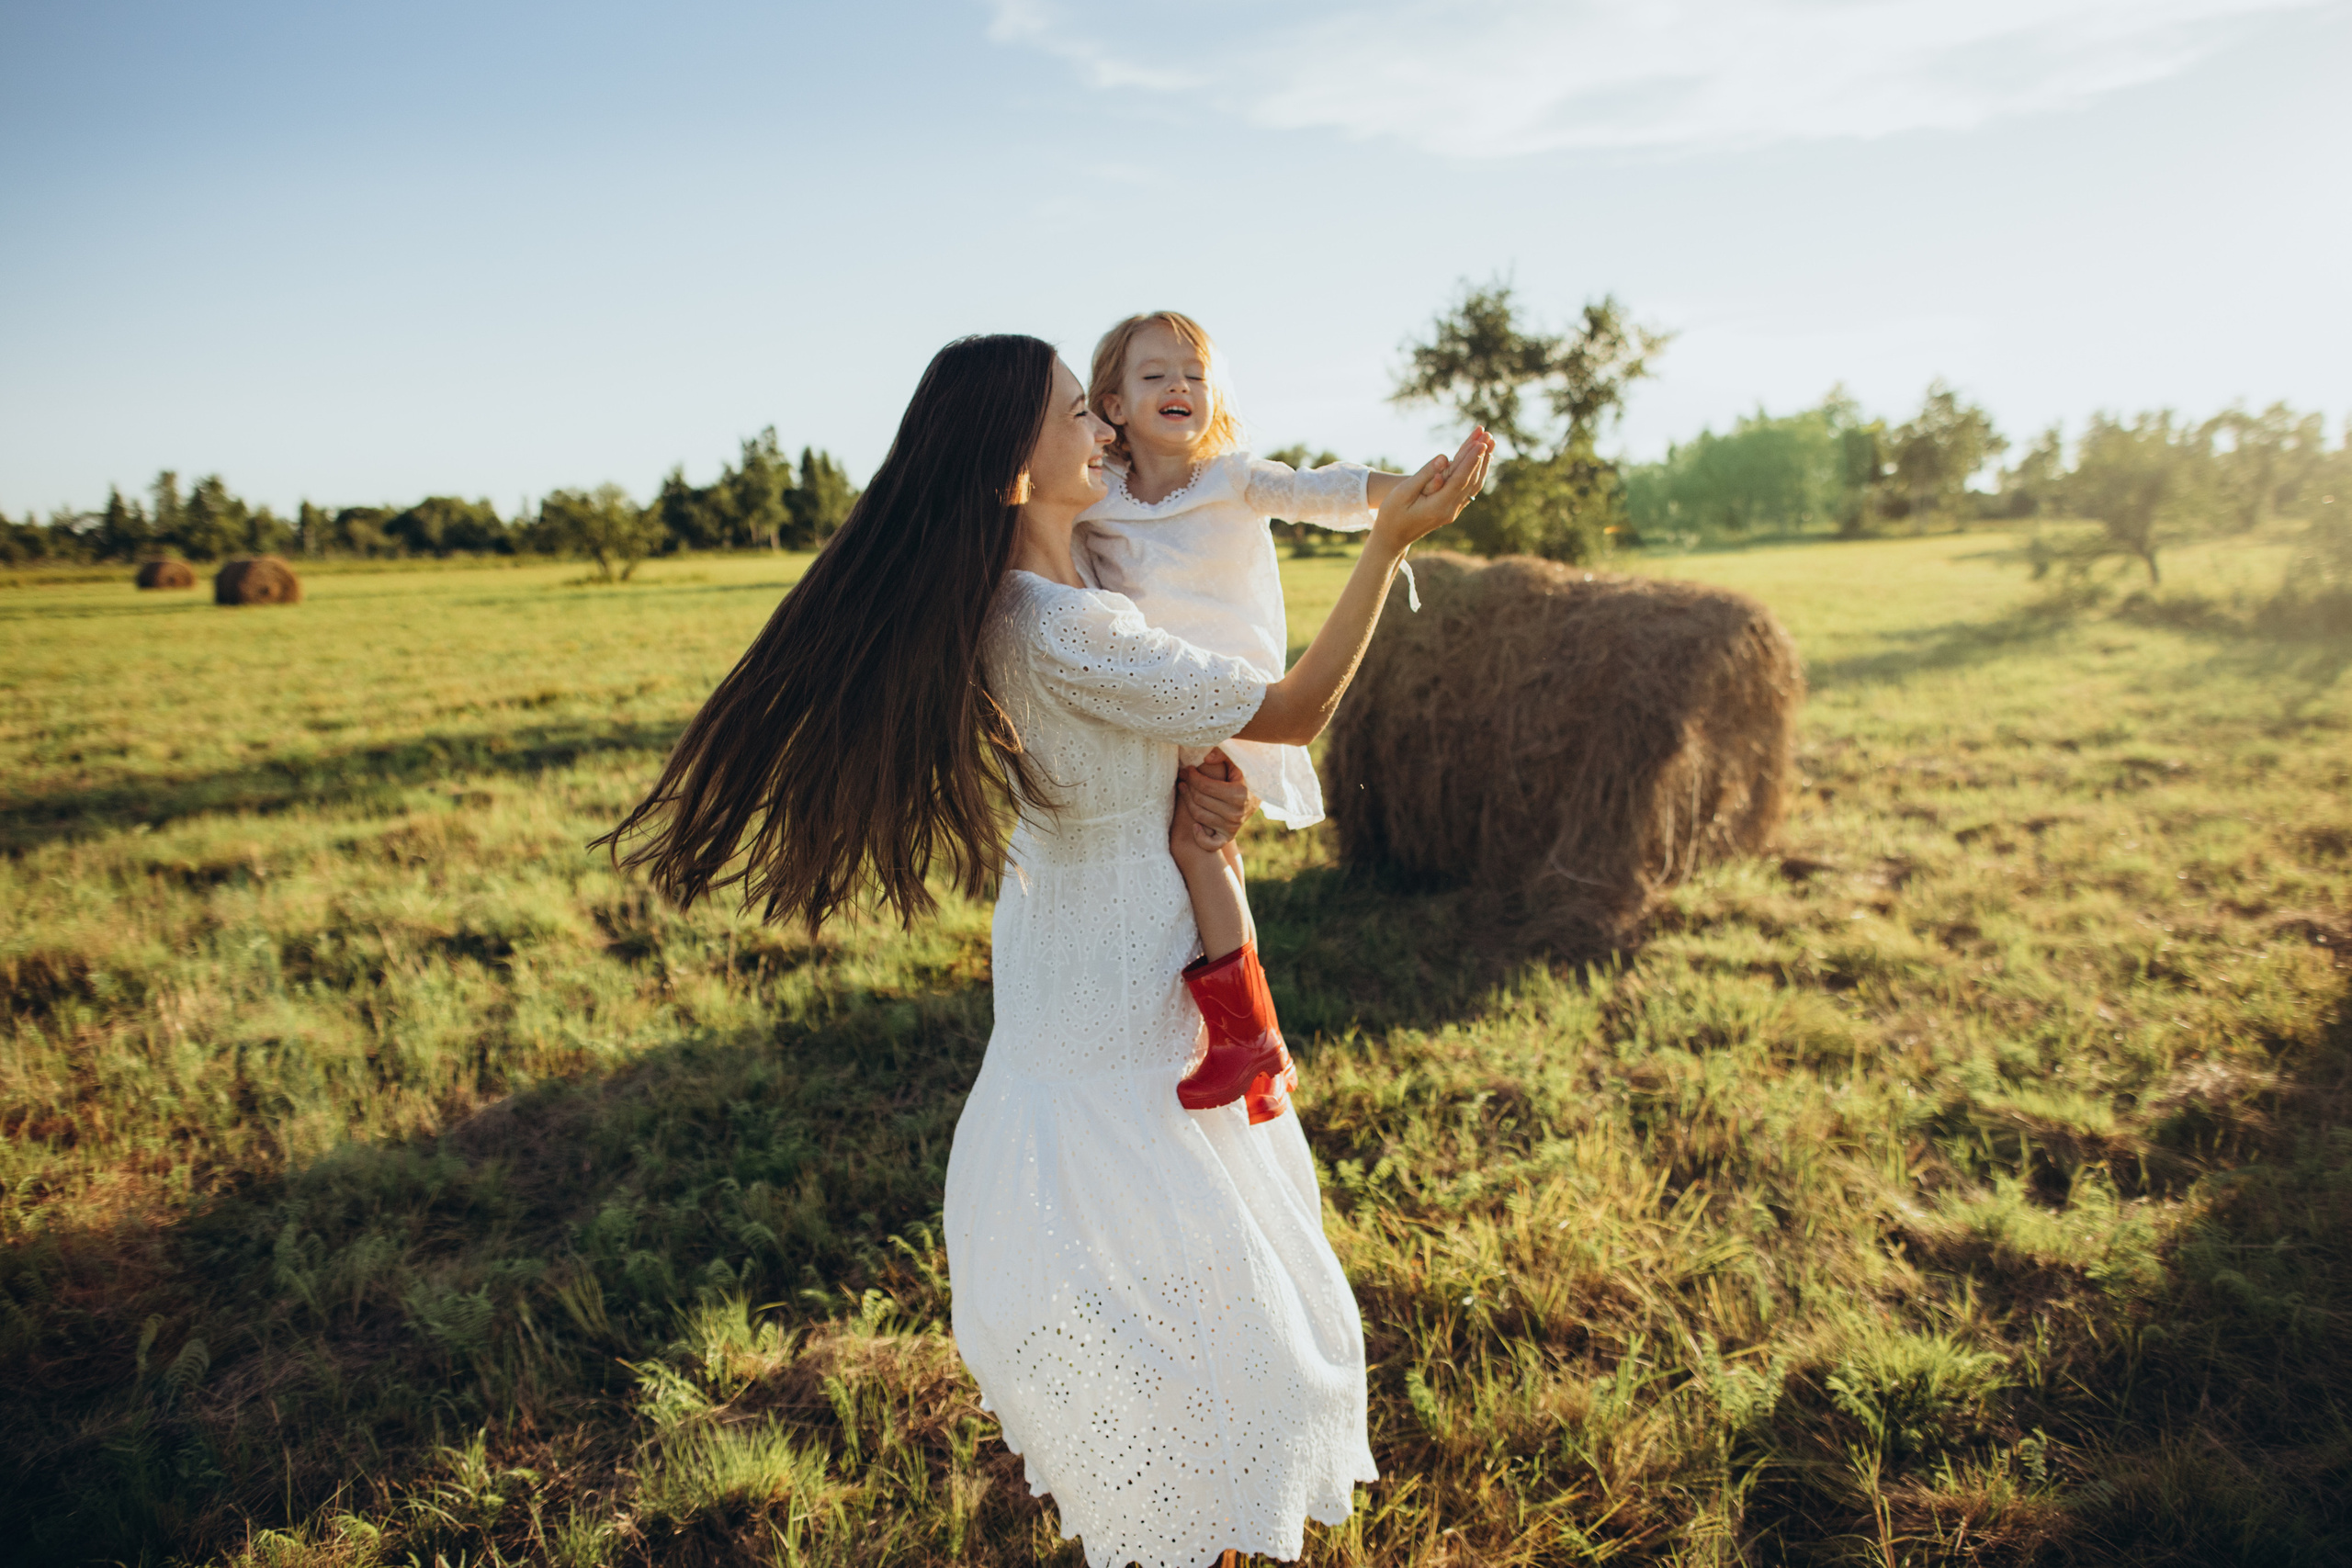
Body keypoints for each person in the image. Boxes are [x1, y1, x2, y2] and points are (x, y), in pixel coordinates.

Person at [597, 334, 1491, 1568]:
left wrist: (1196, 796)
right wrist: (1386, 543)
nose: (1105, 432)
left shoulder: (1047, 599)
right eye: (1081, 413)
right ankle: (1182, 1495)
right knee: (1181, 1253)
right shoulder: (1063, 624)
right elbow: (1288, 709)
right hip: (1116, 961)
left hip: (1100, 916)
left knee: (1165, 1238)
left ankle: (1175, 1486)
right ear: (1019, 464)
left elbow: (1148, 728)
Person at [1080, 310, 1431, 832]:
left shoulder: (1233, 477)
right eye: (1154, 375)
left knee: (1201, 839)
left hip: (1228, 694)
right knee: (1156, 831)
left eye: (1196, 376)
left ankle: (1232, 917)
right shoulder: (1095, 493)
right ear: (1114, 406)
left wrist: (1409, 486)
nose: (1179, 384)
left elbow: (1312, 489)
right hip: (1145, 694)